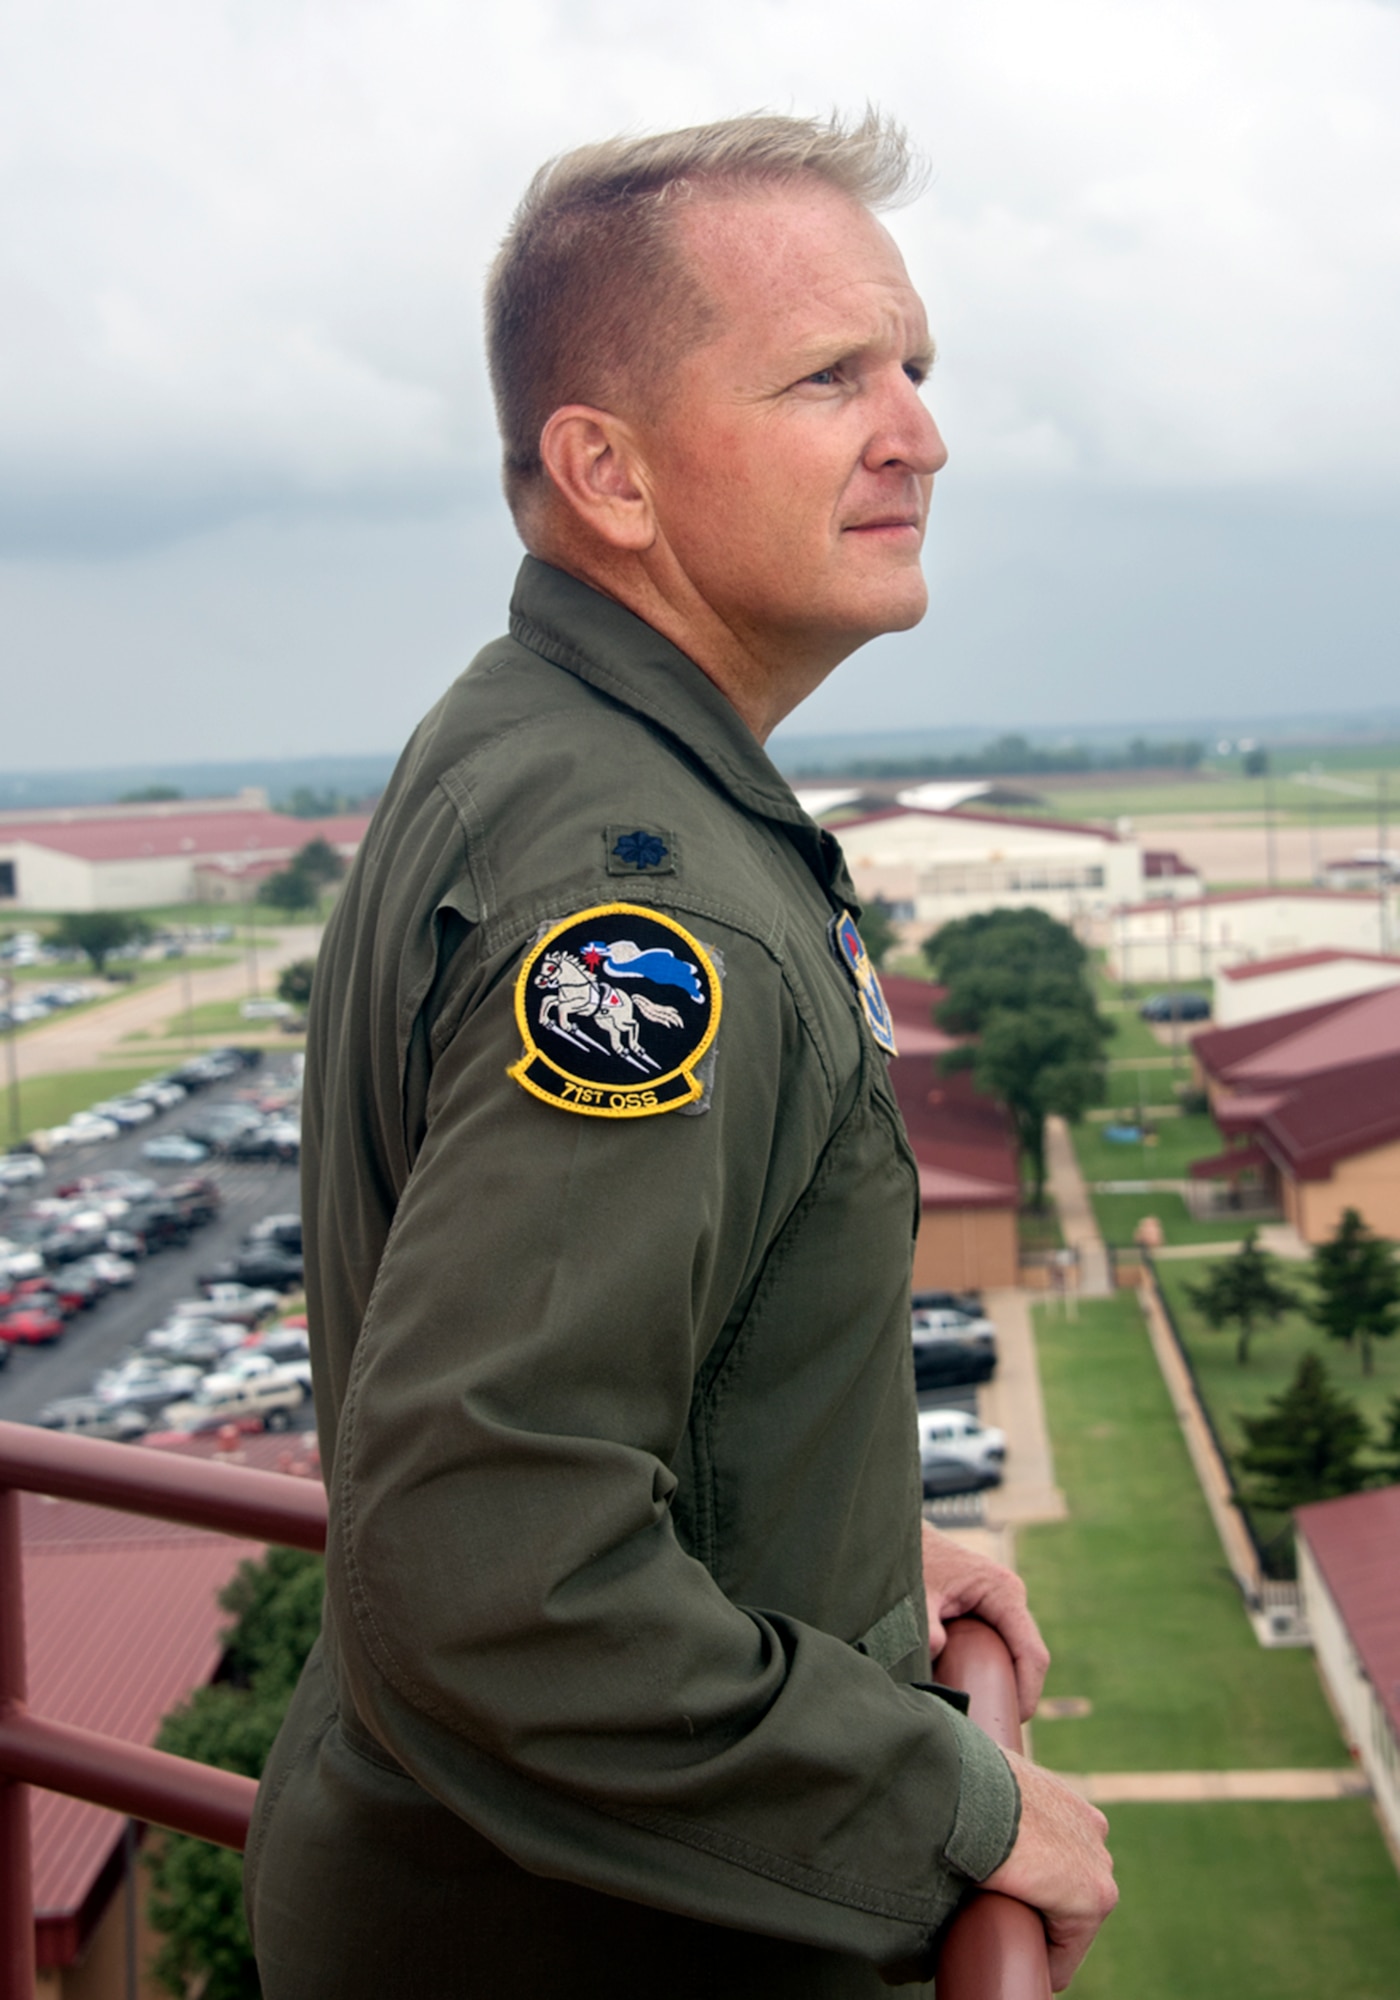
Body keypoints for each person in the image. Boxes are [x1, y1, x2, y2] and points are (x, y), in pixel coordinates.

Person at [247, 110, 1116, 1997]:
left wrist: (862, 1567)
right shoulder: (644, 911)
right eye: (830, 378)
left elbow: (652, 1383)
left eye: (917, 369)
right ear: (610, 475)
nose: (922, 434)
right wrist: (944, 1810)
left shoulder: (536, 741)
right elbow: (496, 1547)